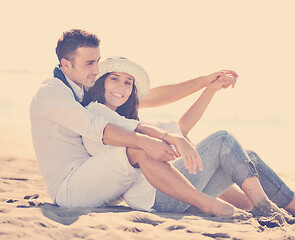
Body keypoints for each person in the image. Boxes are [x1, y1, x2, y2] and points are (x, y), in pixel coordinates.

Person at [29, 29, 244, 218]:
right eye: (89, 63)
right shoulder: (52, 93)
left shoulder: (84, 88)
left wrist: (204, 82)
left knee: (187, 146)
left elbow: (153, 96)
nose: (96, 69)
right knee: (137, 149)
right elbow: (99, 130)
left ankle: (251, 204)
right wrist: (147, 142)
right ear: (66, 64)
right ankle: (204, 203)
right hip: (70, 188)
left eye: (97, 61)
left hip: (100, 180)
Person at [82, 55, 295, 218]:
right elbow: (172, 135)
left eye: (127, 82)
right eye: (114, 79)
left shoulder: (130, 121)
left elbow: (181, 127)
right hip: (157, 198)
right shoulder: (97, 112)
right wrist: (176, 139)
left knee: (251, 158)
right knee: (223, 139)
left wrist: (210, 90)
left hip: (170, 193)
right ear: (101, 82)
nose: (121, 87)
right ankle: (262, 206)